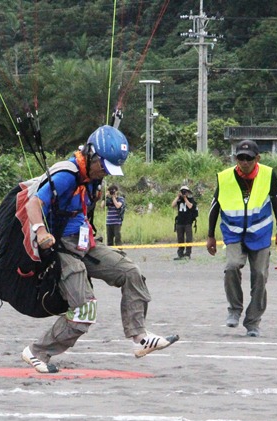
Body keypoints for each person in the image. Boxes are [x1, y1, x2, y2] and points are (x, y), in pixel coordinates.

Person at [22, 125, 179, 373]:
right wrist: (41, 232)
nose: (105, 173)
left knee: (130, 272)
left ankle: (140, 336)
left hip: (86, 245)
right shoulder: (66, 175)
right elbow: (33, 204)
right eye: (103, 166)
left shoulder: (92, 179)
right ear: (92, 154)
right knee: (85, 310)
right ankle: (37, 351)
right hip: (61, 248)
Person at [206, 139, 277, 338]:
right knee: (232, 266)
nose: (244, 162)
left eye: (248, 158)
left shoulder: (267, 175)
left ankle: (253, 322)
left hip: (260, 234)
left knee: (260, 275)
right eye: (240, 158)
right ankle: (234, 309)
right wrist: (210, 236)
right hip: (233, 233)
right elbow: (215, 207)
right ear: (236, 159)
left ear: (257, 158)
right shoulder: (225, 178)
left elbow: (276, 204)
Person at [171, 185, 198, 260]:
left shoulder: (191, 199)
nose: (184, 193)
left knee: (189, 239)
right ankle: (180, 254)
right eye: (182, 191)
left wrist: (185, 198)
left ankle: (187, 254)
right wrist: (178, 196)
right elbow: (172, 205)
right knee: (180, 239)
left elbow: (190, 206)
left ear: (188, 192)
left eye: (185, 191)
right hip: (180, 222)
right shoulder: (179, 200)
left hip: (188, 222)